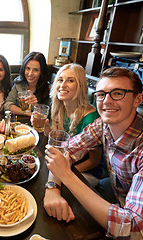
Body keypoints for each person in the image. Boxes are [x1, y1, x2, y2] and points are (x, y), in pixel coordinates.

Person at [45, 67, 143, 238]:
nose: (106, 101)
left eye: (117, 93)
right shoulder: (103, 125)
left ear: (138, 99)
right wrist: (52, 189)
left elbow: (137, 231)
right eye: (101, 94)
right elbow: (66, 150)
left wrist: (67, 176)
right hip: (123, 210)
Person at [42, 63, 103, 221]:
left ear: (81, 86)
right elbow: (56, 142)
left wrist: (65, 172)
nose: (62, 85)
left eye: (70, 81)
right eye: (60, 80)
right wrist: (45, 127)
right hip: (65, 164)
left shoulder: (91, 118)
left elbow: (94, 162)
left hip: (86, 172)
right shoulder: (59, 107)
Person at [4, 51, 51, 116]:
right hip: (21, 123)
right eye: (28, 68)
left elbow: (47, 116)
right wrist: (28, 113)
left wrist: (36, 105)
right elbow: (7, 104)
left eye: (35, 70)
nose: (30, 73)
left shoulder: (48, 89)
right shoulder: (19, 83)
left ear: (41, 72)